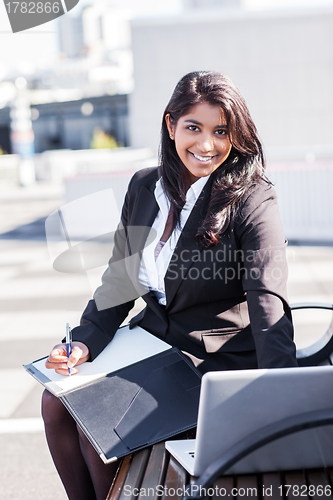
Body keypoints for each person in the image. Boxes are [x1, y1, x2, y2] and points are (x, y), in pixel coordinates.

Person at [42, 71, 298, 500]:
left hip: (212, 360)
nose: (206, 145)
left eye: (221, 131)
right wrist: (85, 341)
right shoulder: (145, 187)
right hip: (153, 343)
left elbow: (267, 302)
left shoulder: (253, 198)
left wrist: (281, 396)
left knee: (98, 428)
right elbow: (120, 280)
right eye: (193, 128)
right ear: (170, 126)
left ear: (236, 135)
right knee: (56, 404)